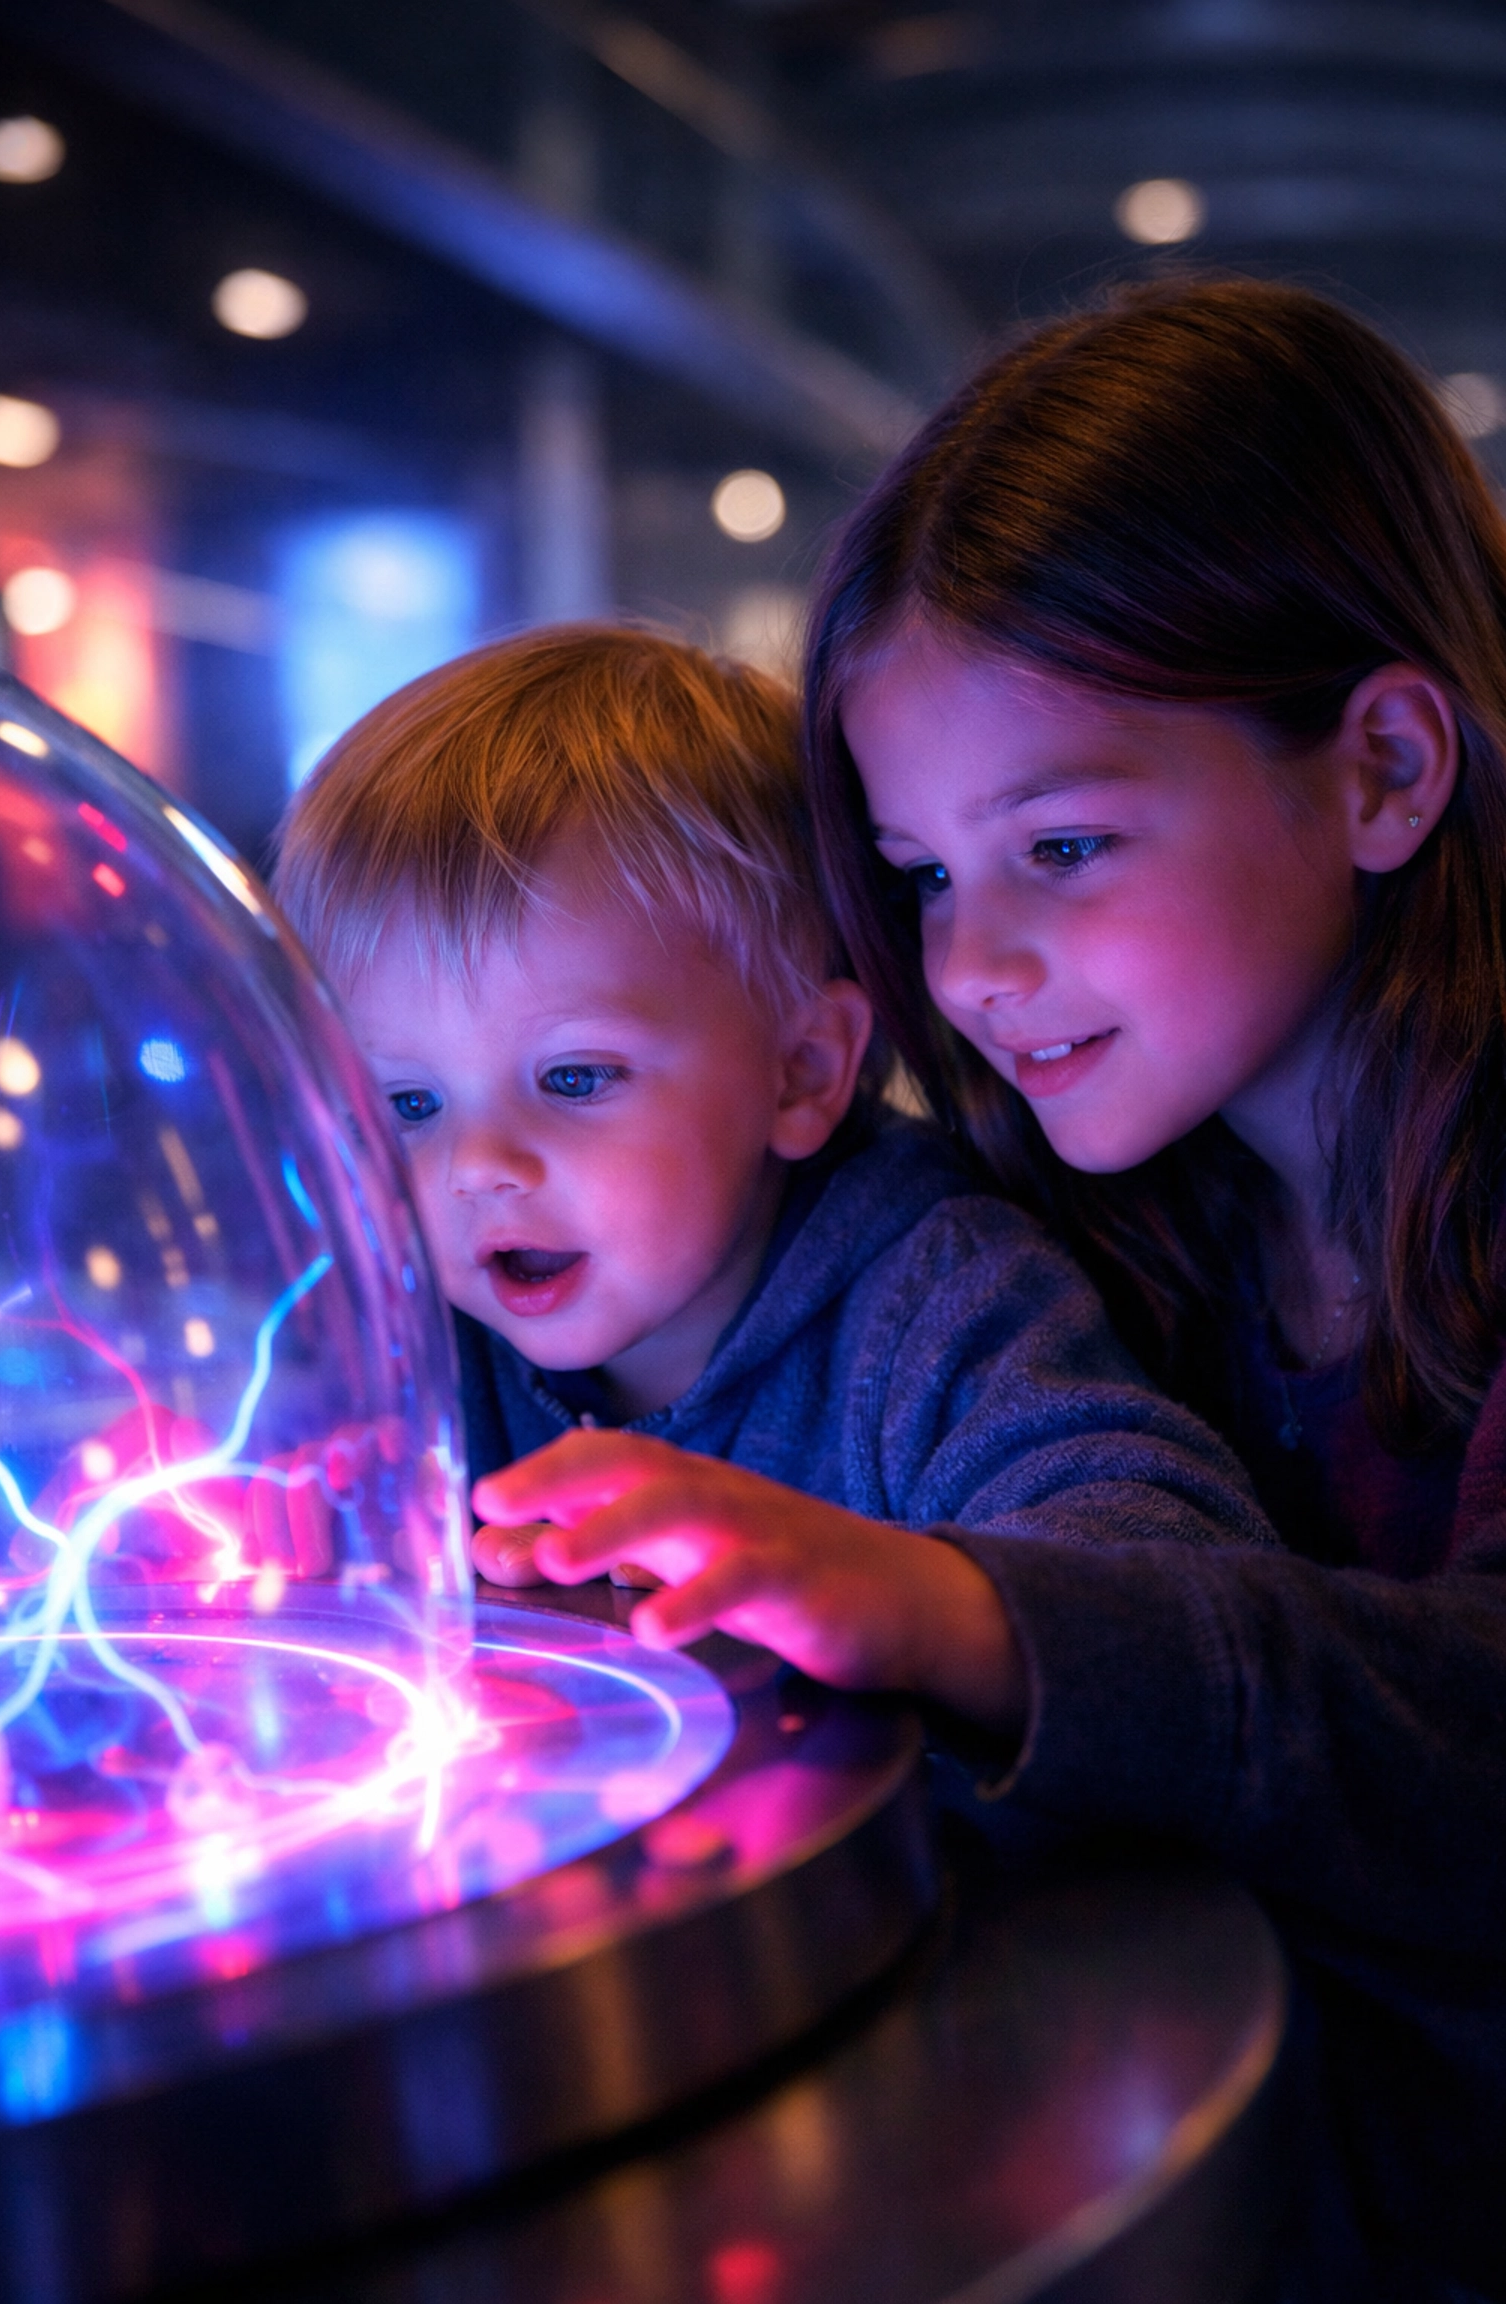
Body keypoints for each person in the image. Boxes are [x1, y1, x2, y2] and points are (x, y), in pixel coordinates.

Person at [478, 288, 1506, 2298]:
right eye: (925, 875)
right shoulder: (1090, 1197)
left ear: (1384, 766)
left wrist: (947, 1600)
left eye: (1060, 842)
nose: (969, 968)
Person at [270, 623, 1270, 1714]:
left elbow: (1185, 1576)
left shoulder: (938, 1296)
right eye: (408, 1104)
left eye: (574, 1079)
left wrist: (909, 1595)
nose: (476, 1166)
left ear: (801, 1073)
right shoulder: (409, 1343)